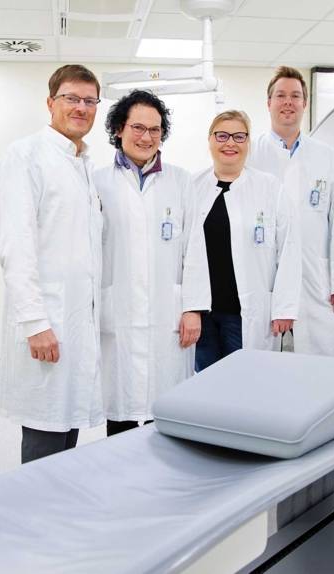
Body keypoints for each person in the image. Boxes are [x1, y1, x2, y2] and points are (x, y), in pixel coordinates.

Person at [0, 64, 104, 463]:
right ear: (50, 103)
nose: (81, 108)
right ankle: (34, 504)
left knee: (67, 421)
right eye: (71, 98)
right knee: (44, 432)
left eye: (89, 100)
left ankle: (57, 499)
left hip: (76, 320)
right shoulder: (26, 155)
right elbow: (16, 244)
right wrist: (34, 322)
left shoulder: (83, 163)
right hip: (48, 320)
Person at [94, 90, 211, 436]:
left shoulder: (181, 180)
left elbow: (195, 248)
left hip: (167, 313)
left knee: (168, 405)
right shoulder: (97, 182)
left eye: (155, 130)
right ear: (119, 129)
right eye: (138, 128)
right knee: (120, 406)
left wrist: (193, 309)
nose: (147, 137)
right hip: (118, 310)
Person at [248, 66, 334, 357]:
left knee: (319, 356)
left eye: (295, 96)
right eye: (280, 95)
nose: (288, 102)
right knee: (263, 357)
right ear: (268, 102)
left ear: (305, 103)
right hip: (264, 271)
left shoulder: (327, 156)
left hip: (313, 274)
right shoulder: (250, 154)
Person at [193, 110, 301, 370]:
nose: (230, 143)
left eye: (239, 136)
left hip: (245, 312)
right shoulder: (193, 186)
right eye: (222, 135)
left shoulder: (269, 187)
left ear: (248, 143)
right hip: (202, 313)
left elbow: (289, 249)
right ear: (210, 140)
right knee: (204, 382)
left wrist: (284, 309)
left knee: (246, 379)